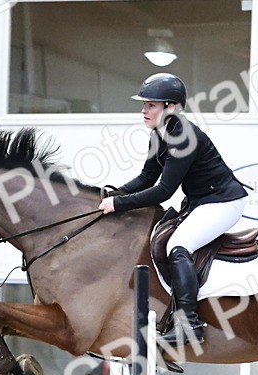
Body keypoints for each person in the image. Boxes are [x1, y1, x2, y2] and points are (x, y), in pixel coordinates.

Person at [99, 73, 249, 347]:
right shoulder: (160, 134)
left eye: (151, 105)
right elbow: (146, 178)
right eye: (144, 105)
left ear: (170, 107)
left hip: (223, 203)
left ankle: (189, 325)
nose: (143, 110)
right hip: (201, 202)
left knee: (178, 246)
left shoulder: (183, 136)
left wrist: (119, 204)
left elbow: (164, 191)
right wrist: (115, 194)